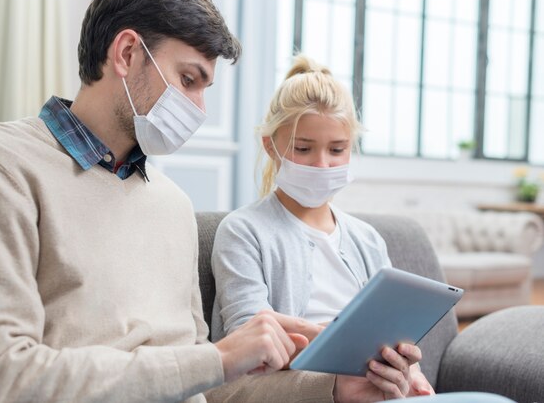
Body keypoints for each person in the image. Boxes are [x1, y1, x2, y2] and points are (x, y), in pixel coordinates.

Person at [0, 0, 324, 402]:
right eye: (188, 80)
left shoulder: (173, 205)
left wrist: (335, 387)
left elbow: (205, 382)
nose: (200, 109)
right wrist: (218, 359)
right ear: (126, 54)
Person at [207, 55, 516, 402]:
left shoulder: (366, 239)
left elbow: (393, 332)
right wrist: (342, 345)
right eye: (303, 148)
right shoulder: (243, 231)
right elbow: (249, 340)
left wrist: (409, 373)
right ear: (271, 146)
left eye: (337, 149)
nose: (322, 164)